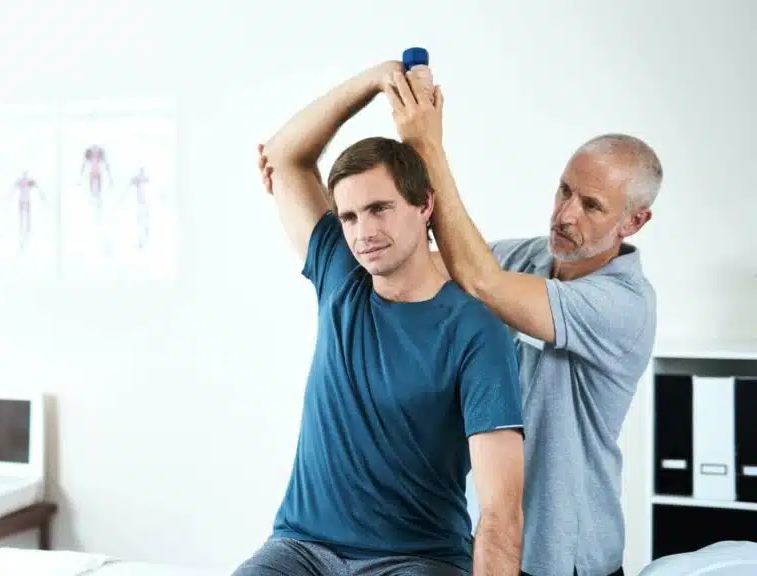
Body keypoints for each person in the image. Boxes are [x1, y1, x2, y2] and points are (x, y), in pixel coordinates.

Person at [239, 60, 526, 576]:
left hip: (415, 559)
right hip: (302, 549)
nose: (362, 230)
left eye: (379, 208)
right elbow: (282, 157)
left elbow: (502, 515)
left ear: (424, 206)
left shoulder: (476, 331)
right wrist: (373, 81)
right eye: (348, 216)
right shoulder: (339, 275)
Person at [381, 68, 661, 576]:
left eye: (591, 205)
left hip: (566, 560)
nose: (564, 214)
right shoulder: (527, 258)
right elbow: (438, 265)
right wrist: (357, 226)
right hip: (491, 543)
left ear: (633, 221)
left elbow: (480, 280)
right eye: (564, 190)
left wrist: (428, 149)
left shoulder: (625, 304)